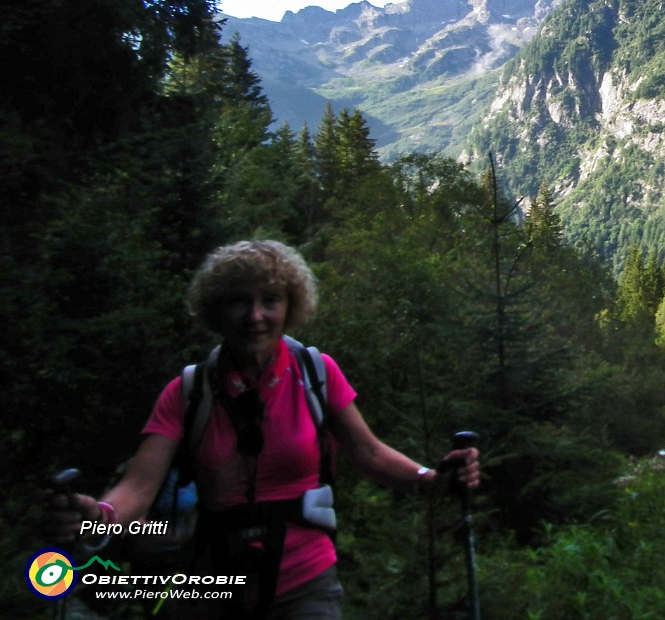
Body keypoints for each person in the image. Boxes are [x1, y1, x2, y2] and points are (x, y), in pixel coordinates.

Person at [44, 239, 480, 619]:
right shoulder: (189, 392)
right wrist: (97, 519)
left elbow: (369, 454)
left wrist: (434, 481)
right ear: (217, 309)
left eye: (270, 300)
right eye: (239, 300)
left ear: (290, 307)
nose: (255, 315)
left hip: (307, 578)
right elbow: (138, 488)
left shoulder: (316, 374)